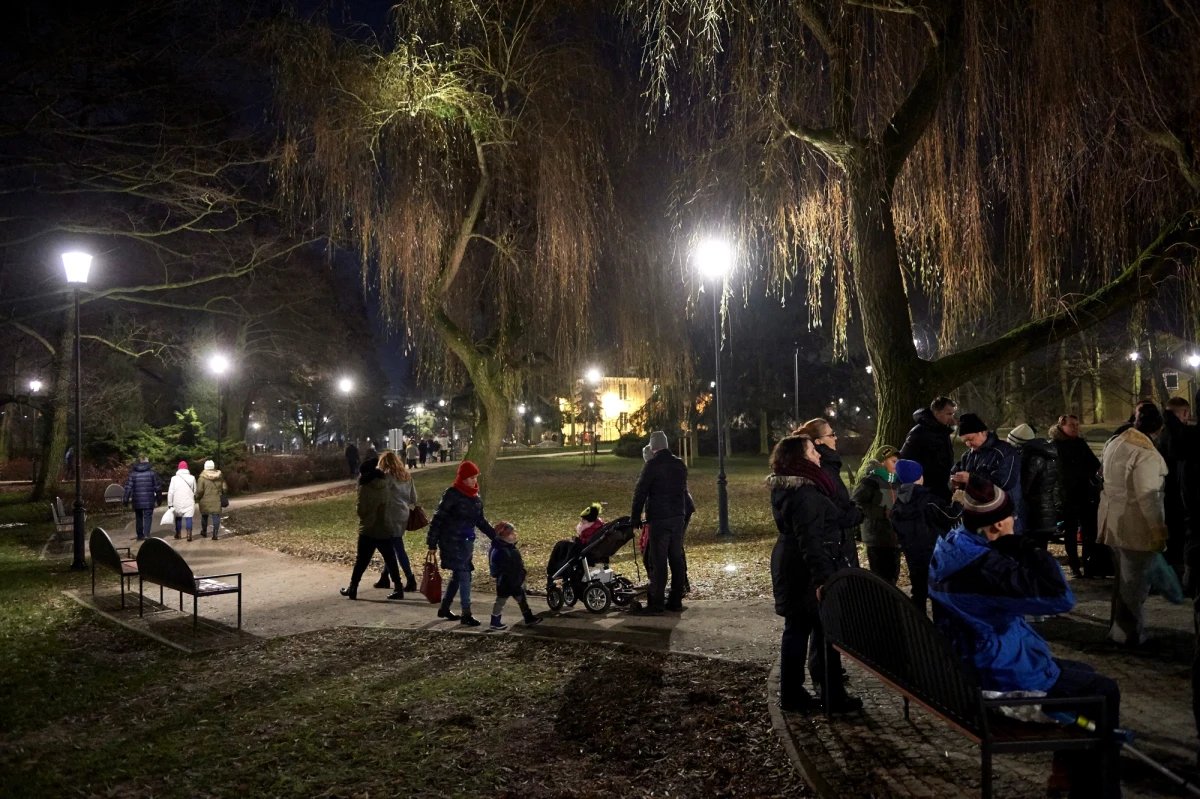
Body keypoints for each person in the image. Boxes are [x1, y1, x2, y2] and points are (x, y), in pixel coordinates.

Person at [929, 474, 1120, 798]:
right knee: (1103, 692)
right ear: (995, 527)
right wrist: (1025, 547)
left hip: (962, 665)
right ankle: (1097, 790)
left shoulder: (955, 546)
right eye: (1010, 518)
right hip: (995, 678)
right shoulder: (987, 570)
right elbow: (1060, 597)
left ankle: (1065, 772)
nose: (1016, 521)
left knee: (1085, 676)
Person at [769, 434, 862, 713]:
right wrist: (823, 579)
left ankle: (797, 695)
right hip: (805, 572)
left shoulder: (798, 488)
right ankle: (825, 696)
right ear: (799, 458)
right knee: (817, 631)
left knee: (799, 631)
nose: (818, 454)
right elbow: (811, 541)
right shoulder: (805, 494)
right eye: (812, 451)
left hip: (795, 566)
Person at [1098, 402, 1168, 646]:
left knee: (1122, 581)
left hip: (1112, 522)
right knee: (1134, 585)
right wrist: (1158, 532)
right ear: (1157, 431)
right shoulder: (1146, 455)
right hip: (1134, 527)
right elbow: (1149, 498)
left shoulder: (1115, 443)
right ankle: (1128, 635)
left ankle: (1117, 630)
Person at [426, 460, 496, 627]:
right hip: (451, 541)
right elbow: (438, 519)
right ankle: (467, 613)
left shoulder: (475, 497)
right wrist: (432, 543)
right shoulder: (452, 494)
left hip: (467, 543)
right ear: (463, 478)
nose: (475, 481)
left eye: (476, 477)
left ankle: (444, 608)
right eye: (471, 478)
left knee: (458, 576)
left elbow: (480, 520)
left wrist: (495, 536)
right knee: (464, 575)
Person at [629, 430, 690, 615]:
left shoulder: (652, 465)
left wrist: (635, 516)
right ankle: (675, 599)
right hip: (678, 517)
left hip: (659, 519)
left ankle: (657, 603)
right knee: (676, 558)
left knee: (659, 560)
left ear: (653, 447)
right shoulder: (680, 465)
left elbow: (641, 491)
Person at [889, 459, 956, 613]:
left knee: (918, 591)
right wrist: (958, 502)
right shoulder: (929, 501)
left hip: (913, 555)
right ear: (919, 477)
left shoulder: (898, 504)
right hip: (933, 554)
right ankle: (939, 630)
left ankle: (919, 627)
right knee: (937, 591)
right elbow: (948, 518)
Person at [796, 418, 864, 567]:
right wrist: (856, 514)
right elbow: (832, 509)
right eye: (831, 434)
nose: (836, 437)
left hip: (839, 540)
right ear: (818, 441)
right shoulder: (823, 469)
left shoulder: (829, 466)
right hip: (835, 543)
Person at [339, 456, 404, 601]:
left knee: (361, 560)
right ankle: (398, 588)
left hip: (368, 528)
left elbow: (361, 511)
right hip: (385, 526)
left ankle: (353, 587)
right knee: (390, 559)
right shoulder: (384, 484)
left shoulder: (364, 488)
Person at [951, 413, 1024, 533]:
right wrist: (955, 482)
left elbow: (1004, 482)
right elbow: (955, 472)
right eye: (965, 441)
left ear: (982, 432)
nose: (968, 444)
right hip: (981, 514)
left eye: (970, 439)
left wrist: (971, 479)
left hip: (1004, 514)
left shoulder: (1005, 451)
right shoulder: (968, 455)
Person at [1050, 415, 1104, 578]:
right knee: (1070, 530)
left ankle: (1088, 564)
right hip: (1067, 494)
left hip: (1085, 492)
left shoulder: (1080, 443)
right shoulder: (1055, 446)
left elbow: (1094, 464)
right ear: (1061, 426)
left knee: (1089, 530)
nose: (1075, 428)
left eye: (1077, 424)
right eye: (1071, 425)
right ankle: (1074, 564)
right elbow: (1060, 471)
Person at [1007, 423, 1062, 555]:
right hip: (1046, 510)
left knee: (1033, 553)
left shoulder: (1032, 458)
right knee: (1039, 552)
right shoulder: (1046, 454)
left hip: (1035, 513)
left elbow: (1024, 487)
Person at [852, 445, 901, 584]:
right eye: (893, 461)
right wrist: (882, 512)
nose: (897, 465)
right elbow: (856, 503)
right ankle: (880, 604)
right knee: (881, 579)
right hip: (877, 537)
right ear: (883, 461)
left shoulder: (896, 480)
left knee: (892, 577)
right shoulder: (870, 481)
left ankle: (891, 604)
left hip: (894, 537)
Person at [372, 451, 419, 592]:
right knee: (391, 546)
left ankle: (410, 579)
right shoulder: (407, 477)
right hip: (403, 514)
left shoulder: (387, 478)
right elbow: (413, 498)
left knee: (397, 548)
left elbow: (379, 494)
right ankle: (384, 577)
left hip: (390, 515)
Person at [900, 396, 958, 502]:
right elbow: (904, 460)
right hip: (926, 493)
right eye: (949, 414)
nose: (952, 418)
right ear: (937, 414)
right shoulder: (919, 433)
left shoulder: (943, 431)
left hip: (941, 491)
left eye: (953, 414)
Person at [487, 521, 544, 630]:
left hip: (514, 581)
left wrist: (521, 575)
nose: (515, 535)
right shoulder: (501, 550)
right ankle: (494, 621)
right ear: (504, 536)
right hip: (505, 582)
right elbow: (501, 568)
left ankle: (528, 618)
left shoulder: (509, 547)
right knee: (501, 601)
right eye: (511, 533)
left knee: (521, 599)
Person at [1159, 396, 1192, 569]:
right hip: (1177, 495)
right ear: (1185, 412)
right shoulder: (1180, 434)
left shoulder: (1161, 432)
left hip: (1164, 493)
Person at [122, 456, 162, 541]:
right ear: (147, 462)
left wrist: (125, 499)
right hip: (149, 499)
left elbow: (128, 487)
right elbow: (157, 487)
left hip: (137, 500)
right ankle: (147, 534)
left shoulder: (133, 474)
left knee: (139, 517)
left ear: (139, 462)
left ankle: (140, 535)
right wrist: (159, 499)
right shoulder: (152, 473)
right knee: (148, 517)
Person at [193, 459, 228, 541]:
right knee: (216, 516)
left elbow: (200, 490)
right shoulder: (220, 477)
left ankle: (204, 532)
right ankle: (215, 534)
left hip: (204, 501)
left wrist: (197, 497)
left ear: (205, 467)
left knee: (204, 516)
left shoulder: (201, 478)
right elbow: (225, 488)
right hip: (216, 500)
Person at [166, 461, 197, 541]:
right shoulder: (192, 478)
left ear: (178, 469)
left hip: (177, 501)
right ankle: (189, 535)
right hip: (189, 501)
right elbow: (195, 490)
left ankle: (178, 534)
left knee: (178, 517)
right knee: (189, 518)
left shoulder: (174, 478)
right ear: (187, 468)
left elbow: (170, 492)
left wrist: (170, 504)